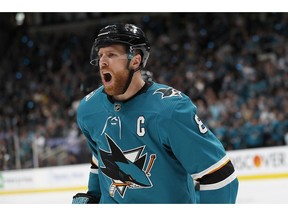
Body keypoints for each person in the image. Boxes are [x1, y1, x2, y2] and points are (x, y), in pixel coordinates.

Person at [72, 23, 239, 204]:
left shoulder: (171, 110)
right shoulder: (88, 109)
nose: (102, 62)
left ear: (135, 61)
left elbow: (219, 176)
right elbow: (100, 157)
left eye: (111, 55)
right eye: (100, 55)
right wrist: (94, 195)